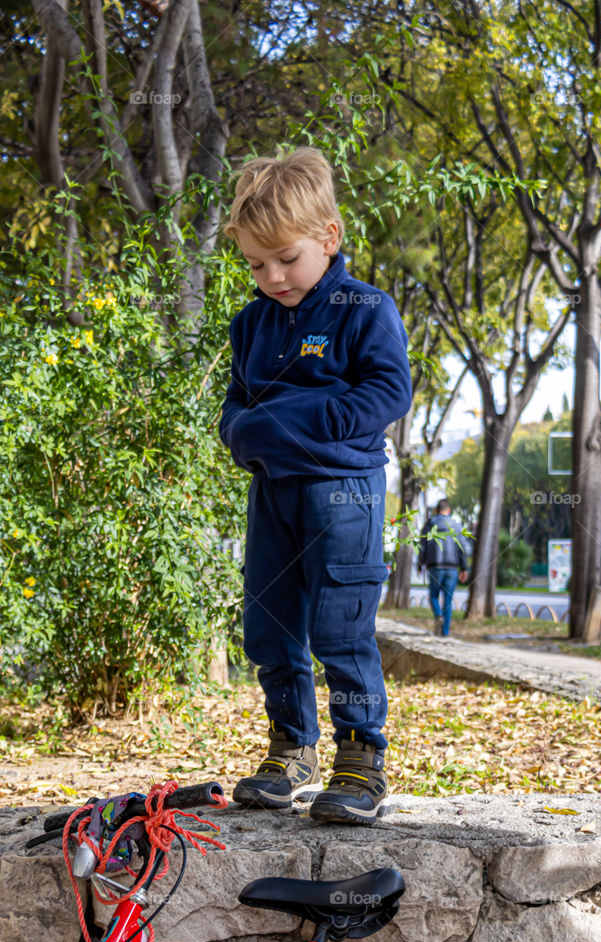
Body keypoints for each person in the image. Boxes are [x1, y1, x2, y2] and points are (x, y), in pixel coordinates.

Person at [218, 146, 413, 825]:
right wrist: (255, 433)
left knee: (340, 627)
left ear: (327, 238)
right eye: (254, 264)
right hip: (273, 495)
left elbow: (387, 393)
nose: (271, 277)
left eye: (285, 259)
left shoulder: (365, 308)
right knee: (269, 625)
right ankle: (290, 748)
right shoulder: (251, 324)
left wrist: (290, 422)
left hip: (344, 495)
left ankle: (360, 762)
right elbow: (235, 414)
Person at [417, 500, 468, 637]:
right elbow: (461, 547)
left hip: (435, 566)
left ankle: (438, 615)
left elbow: (423, 545)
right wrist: (464, 568)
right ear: (449, 510)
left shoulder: (430, 524)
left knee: (433, 595)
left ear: (436, 510)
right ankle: (445, 633)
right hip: (452, 568)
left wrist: (420, 564)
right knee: (448, 600)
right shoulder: (456, 526)